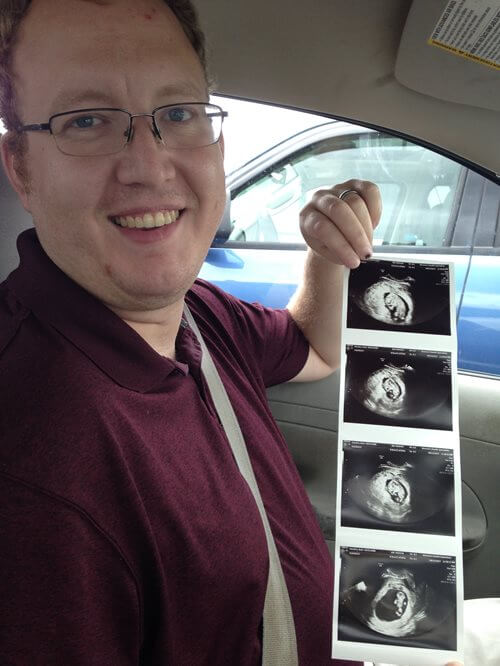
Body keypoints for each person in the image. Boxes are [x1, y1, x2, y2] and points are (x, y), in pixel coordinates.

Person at [0, 1, 460, 665]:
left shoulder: (195, 313)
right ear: (20, 166)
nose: (150, 166)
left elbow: (316, 348)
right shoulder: (31, 468)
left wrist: (327, 256)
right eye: (88, 120)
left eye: (179, 113)